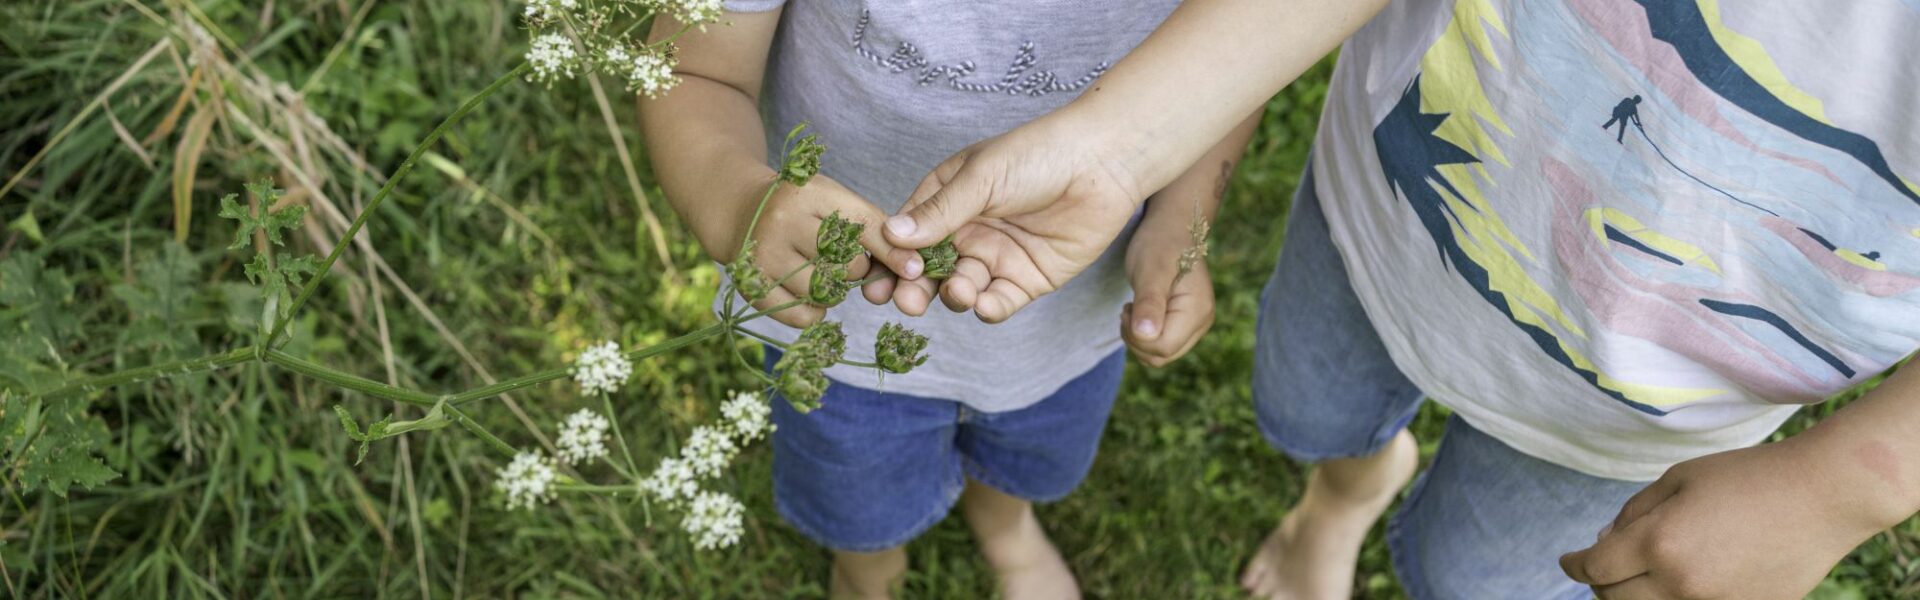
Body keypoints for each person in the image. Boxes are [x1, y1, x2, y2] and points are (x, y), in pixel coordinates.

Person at [882, 0, 1920, 598]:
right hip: (1388, 208)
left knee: (1471, 578)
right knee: (1307, 410)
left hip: (1662, 409)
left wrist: (1847, 483)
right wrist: (1120, 147)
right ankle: (1342, 498)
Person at [636, 2, 1258, 597]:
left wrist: (1180, 219)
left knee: (1032, 443)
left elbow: (1242, 58)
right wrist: (743, 205)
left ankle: (1005, 526)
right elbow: (694, 70)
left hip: (1064, 314)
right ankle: (868, 568)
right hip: (840, 324)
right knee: (858, 491)